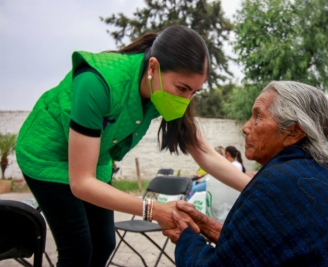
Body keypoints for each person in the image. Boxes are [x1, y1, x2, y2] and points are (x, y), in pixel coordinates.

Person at [15, 25, 250, 266]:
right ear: (154, 67)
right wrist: (155, 210)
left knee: (104, 244)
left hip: (95, 159)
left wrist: (259, 186)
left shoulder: (164, 89)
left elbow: (204, 153)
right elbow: (82, 182)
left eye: (194, 91)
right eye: (182, 88)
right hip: (47, 156)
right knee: (78, 249)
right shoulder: (97, 84)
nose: (186, 99)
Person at [163, 81, 328, 266]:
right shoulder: (321, 174)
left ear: (293, 132)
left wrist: (186, 238)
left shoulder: (279, 183)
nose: (245, 127)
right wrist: (210, 227)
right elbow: (269, 247)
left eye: (258, 116)